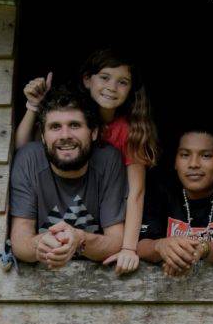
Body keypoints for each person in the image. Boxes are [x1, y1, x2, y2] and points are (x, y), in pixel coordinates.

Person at [15, 50, 159, 275]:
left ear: (93, 132)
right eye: (105, 77)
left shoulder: (127, 133)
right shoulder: (68, 113)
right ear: (87, 80)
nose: (112, 87)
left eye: (122, 82)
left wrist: (128, 248)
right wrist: (34, 105)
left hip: (118, 209)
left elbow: (136, 192)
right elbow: (23, 150)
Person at [8, 86, 127, 270]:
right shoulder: (28, 159)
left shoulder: (108, 160)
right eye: (55, 127)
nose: (65, 136)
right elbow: (19, 242)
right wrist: (39, 245)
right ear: (43, 136)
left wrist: (80, 239)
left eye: (74, 125)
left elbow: (116, 241)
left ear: (93, 132)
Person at [137, 128, 213, 276]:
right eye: (185, 155)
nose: (193, 164)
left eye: (205, 155)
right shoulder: (162, 188)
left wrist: (202, 248)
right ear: (175, 161)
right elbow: (140, 245)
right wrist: (160, 246)